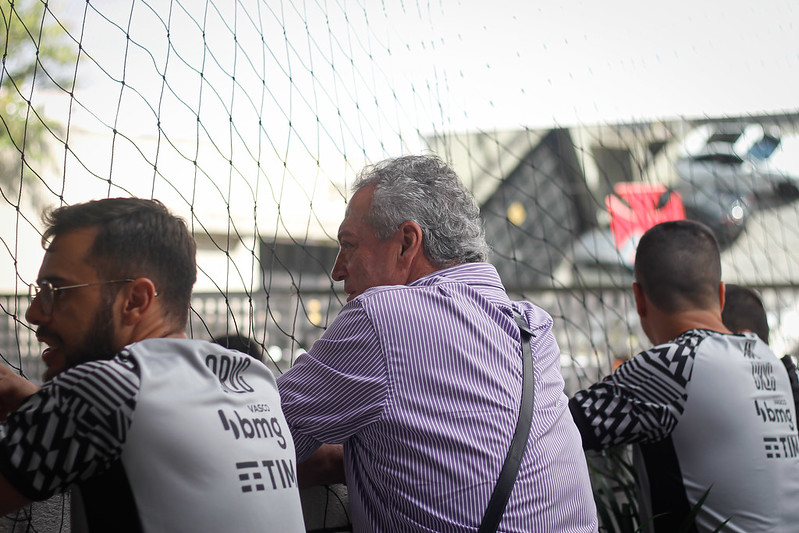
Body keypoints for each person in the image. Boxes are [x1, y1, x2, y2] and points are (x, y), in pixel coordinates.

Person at [277, 155, 598, 532]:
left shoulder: (383, 316)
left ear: (406, 243)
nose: (337, 270)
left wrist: (339, 456)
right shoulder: (531, 325)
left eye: (348, 245)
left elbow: (253, 438)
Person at [0, 198, 305, 532]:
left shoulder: (106, 388)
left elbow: (104, 408)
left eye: (56, 291)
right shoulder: (254, 380)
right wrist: (40, 404)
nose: (34, 313)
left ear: (135, 301)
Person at [569, 220, 799, 533]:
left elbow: (555, 426)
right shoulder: (774, 363)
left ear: (639, 299)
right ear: (720, 294)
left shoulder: (675, 364)